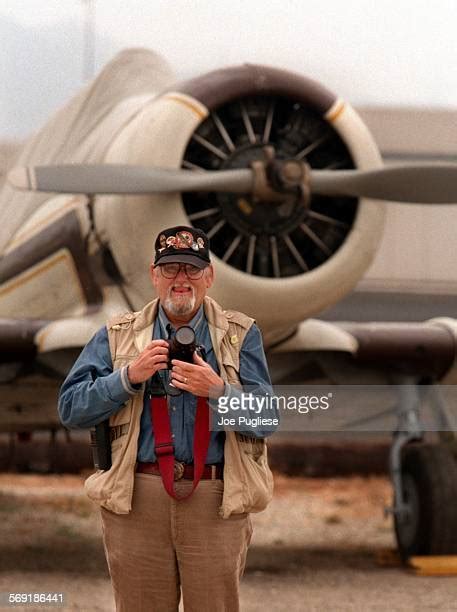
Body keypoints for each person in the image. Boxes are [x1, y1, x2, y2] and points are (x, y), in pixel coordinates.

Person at [58, 225, 277, 612]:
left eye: (192, 269)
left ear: (209, 277)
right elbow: (71, 408)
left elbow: (267, 417)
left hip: (214, 496)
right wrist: (128, 378)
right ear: (154, 275)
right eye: (171, 268)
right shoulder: (117, 337)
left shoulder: (241, 335)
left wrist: (218, 391)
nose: (181, 279)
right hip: (137, 495)